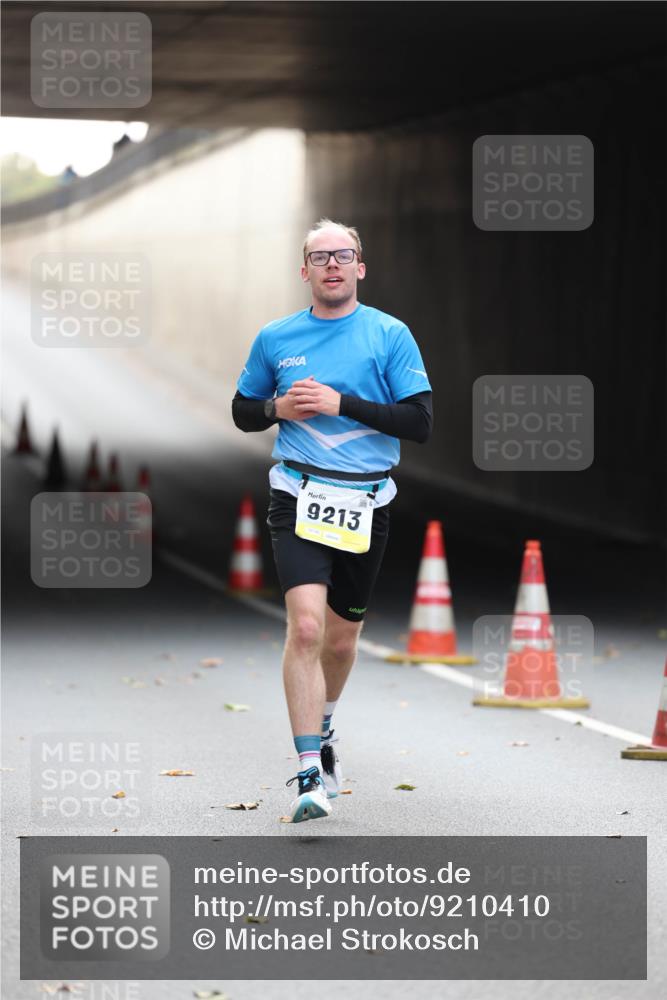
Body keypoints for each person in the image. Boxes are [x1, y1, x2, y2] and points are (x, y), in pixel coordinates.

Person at [232, 218, 432, 822]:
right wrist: (278, 407)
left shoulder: (390, 334)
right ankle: (306, 773)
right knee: (307, 629)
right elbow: (242, 411)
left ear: (360, 267)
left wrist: (341, 404)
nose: (333, 265)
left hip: (366, 501)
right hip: (297, 493)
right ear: (305, 271)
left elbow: (419, 422)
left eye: (343, 255)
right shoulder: (276, 337)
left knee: (341, 641)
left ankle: (323, 732)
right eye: (320, 258)